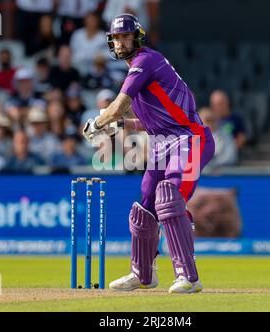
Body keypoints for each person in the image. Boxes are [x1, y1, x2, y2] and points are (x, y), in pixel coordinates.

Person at [83, 14, 215, 294]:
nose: (120, 42)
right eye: (116, 38)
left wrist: (98, 122)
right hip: (164, 141)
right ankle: (142, 274)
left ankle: (188, 277)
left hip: (190, 139)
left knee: (170, 196)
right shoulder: (140, 69)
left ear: (138, 37)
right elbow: (152, 122)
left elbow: (118, 105)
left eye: (125, 36)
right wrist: (119, 125)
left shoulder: (145, 60)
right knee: (145, 204)